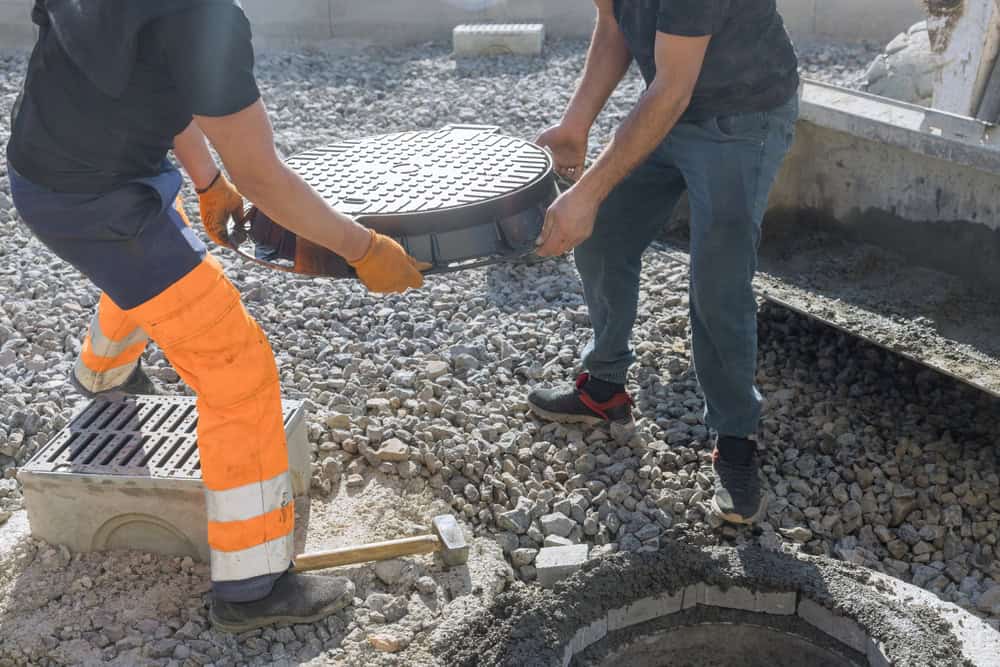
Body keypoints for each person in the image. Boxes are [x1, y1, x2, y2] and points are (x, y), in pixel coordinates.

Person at [5, 0, 425, 632]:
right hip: (98, 203)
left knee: (161, 267)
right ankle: (253, 586)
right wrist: (363, 249)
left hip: (48, 170)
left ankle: (103, 374)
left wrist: (204, 181)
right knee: (239, 372)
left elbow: (154, 71)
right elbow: (262, 176)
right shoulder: (204, 16)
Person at [528, 0, 800, 525]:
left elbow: (672, 88)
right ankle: (604, 387)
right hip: (667, 103)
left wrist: (585, 192)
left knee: (718, 279)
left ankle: (736, 437)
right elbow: (613, 25)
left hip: (740, 117)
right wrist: (575, 123)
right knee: (603, 235)